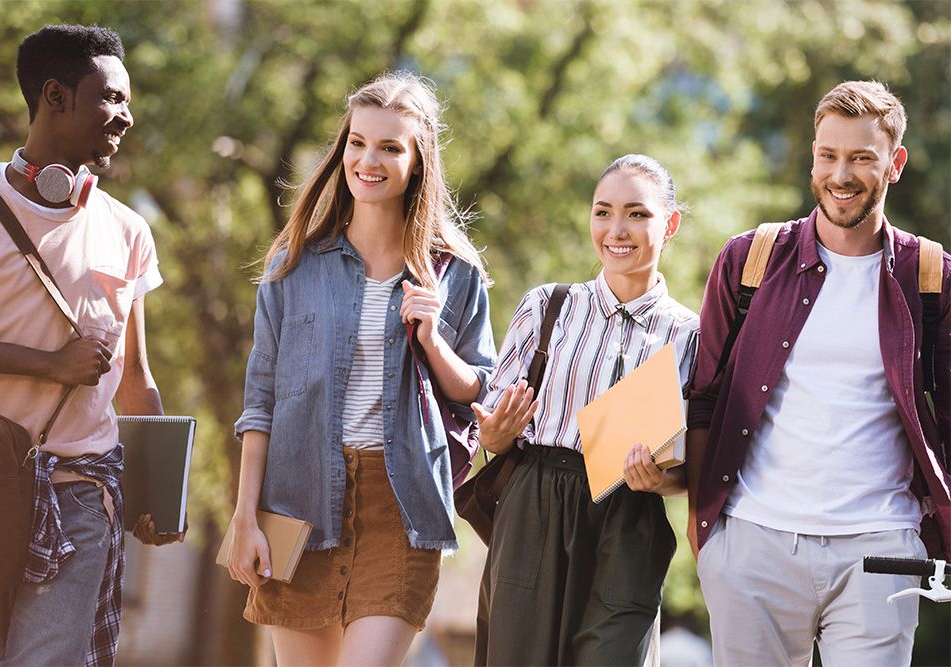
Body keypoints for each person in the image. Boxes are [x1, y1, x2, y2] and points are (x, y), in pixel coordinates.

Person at [227, 72, 496, 667]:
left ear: (417, 161)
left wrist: (431, 340)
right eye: (357, 142)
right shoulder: (292, 266)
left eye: (390, 147)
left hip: (399, 507)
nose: (367, 160)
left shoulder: (454, 275)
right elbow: (260, 400)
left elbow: (480, 391)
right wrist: (244, 518)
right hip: (294, 502)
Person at [686, 80, 951, 665]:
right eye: (828, 155)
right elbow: (701, 397)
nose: (841, 174)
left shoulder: (929, 274)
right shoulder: (750, 259)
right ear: (813, 156)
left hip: (882, 547)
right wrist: (705, 530)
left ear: (895, 163)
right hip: (753, 540)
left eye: (861, 157)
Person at [0, 24, 183, 667]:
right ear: (55, 96)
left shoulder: (128, 231)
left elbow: (134, 375)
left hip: (82, 490)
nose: (126, 118)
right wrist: (51, 365)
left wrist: (160, 493)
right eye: (112, 99)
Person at [472, 154, 699, 666]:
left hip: (630, 514)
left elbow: (692, 469)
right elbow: (490, 425)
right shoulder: (547, 307)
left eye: (637, 214)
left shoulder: (694, 336)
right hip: (535, 505)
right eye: (603, 212)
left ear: (671, 223)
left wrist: (660, 480)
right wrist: (494, 436)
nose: (617, 229)